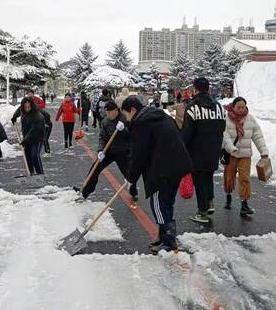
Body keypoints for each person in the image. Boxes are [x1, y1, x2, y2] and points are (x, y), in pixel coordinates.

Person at [122, 96, 192, 254]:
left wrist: (130, 178)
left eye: (126, 115)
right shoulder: (159, 116)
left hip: (162, 169)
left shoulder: (141, 123)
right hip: (177, 165)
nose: (127, 119)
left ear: (133, 110)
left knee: (159, 204)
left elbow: (139, 154)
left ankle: (168, 241)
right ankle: (164, 236)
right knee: (166, 202)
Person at [181, 78, 226, 223]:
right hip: (214, 148)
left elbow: (187, 132)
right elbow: (222, 127)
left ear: (195, 89)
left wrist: (182, 147)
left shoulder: (193, 106)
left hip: (197, 150)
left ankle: (202, 211)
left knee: (199, 180)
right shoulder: (218, 106)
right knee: (208, 176)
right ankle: (209, 202)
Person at [75, 101, 138, 202]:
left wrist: (124, 129)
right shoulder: (105, 121)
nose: (108, 114)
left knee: (128, 174)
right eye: (107, 112)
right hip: (108, 151)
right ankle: (85, 192)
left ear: (116, 110)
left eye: (110, 112)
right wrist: (100, 150)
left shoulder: (125, 118)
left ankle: (133, 192)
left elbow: (133, 135)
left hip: (123, 151)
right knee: (94, 169)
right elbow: (102, 137)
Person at [222, 97, 269, 216]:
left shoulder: (250, 119)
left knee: (245, 178)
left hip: (245, 154)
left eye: (243, 107)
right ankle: (228, 196)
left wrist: (264, 151)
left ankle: (244, 204)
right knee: (229, 177)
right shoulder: (226, 119)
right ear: (233, 107)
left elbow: (258, 136)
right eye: (238, 107)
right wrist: (231, 148)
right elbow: (224, 136)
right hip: (231, 153)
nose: (241, 109)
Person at [19, 97, 45, 175]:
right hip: (28, 138)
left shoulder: (37, 115)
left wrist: (25, 139)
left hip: (37, 138)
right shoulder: (23, 114)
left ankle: (40, 174)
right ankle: (31, 172)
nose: (27, 109)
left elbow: (34, 129)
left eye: (28, 107)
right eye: (25, 107)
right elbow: (24, 128)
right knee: (27, 156)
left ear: (32, 106)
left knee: (34, 156)